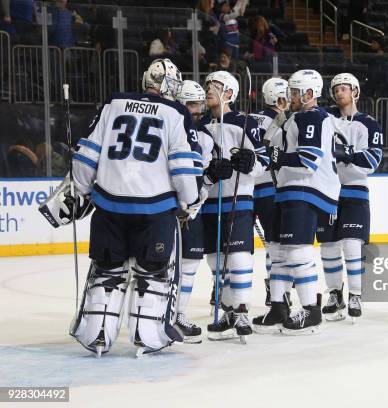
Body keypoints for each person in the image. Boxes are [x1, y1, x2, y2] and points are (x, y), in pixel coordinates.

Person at [65, 58, 204, 356]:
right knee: (152, 275)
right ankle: (147, 336)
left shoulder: (113, 103)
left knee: (107, 273)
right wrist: (190, 201)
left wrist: (81, 188)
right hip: (154, 211)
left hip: (108, 207)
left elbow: (87, 153)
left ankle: (97, 336)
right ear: (168, 85)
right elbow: (182, 165)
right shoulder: (176, 112)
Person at [252, 69, 340, 335]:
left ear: (309, 94)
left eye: (293, 92)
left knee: (297, 251)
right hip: (289, 190)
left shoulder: (313, 117)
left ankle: (311, 311)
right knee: (278, 250)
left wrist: (277, 157)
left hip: (307, 189)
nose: (289, 96)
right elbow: (269, 144)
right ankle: (279, 308)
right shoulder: (295, 119)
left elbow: (308, 160)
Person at [201, 70, 268, 341]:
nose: (208, 89)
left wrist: (250, 163)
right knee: (216, 262)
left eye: (214, 86)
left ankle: (241, 311)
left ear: (229, 93)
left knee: (238, 258)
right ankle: (228, 311)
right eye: (207, 85)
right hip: (209, 202)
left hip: (238, 200)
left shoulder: (244, 123)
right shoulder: (200, 126)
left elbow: (265, 162)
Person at [318, 73, 383, 322]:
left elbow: (372, 161)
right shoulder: (326, 120)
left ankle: (355, 294)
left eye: (344, 88)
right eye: (335, 89)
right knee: (328, 244)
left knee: (352, 243)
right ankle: (335, 294)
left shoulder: (369, 124)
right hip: (328, 190)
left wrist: (346, 152)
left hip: (355, 189)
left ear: (355, 92)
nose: (338, 93)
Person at [174, 79, 224, 344]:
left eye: (197, 103)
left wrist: (212, 175)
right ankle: (156, 316)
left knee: (190, 263)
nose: (195, 109)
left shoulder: (205, 137)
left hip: (194, 211)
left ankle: (177, 315)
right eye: (190, 103)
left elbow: (202, 177)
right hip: (165, 207)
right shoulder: (167, 127)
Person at [249, 77, 289, 307]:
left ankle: (221, 290)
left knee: (234, 247)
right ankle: (274, 289)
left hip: (244, 188)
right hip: (268, 189)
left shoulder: (249, 118)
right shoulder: (281, 121)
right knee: (275, 243)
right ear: (279, 97)